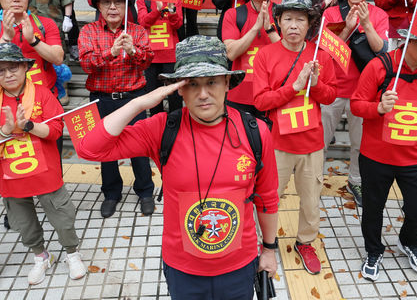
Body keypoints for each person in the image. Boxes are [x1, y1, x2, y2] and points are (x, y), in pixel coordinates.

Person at [76, 35, 279, 299]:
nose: (203, 93)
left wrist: (269, 249)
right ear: (178, 88)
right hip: (184, 269)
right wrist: (138, 103)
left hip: (239, 266)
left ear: (228, 82)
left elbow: (267, 199)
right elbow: (89, 148)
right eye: (192, 84)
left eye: (212, 82)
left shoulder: (255, 131)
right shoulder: (162, 129)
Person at [351, 28, 417, 281]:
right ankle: (374, 250)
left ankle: (408, 242)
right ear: (407, 41)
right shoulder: (380, 66)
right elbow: (356, 104)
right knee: (373, 209)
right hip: (377, 157)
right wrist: (377, 107)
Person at [0, 43, 86, 285]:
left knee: (62, 216)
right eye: (0, 70)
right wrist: (5, 130)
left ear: (25, 67)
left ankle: (72, 253)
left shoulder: (43, 94)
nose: (8, 74)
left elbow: (56, 131)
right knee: (24, 222)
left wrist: (28, 125)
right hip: (11, 174)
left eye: (13, 67)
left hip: (46, 171)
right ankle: (41, 256)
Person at [253, 0, 337, 275]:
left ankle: (306, 242)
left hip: (312, 143)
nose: (293, 25)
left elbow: (331, 96)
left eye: (300, 19)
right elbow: (261, 102)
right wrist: (294, 86)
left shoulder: (320, 55)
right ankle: (266, 242)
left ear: (309, 24)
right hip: (277, 143)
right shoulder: (266, 55)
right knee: (270, 196)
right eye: (287, 18)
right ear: (277, 22)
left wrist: (316, 83)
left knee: (311, 198)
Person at [77, 0, 156, 218]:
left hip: (133, 98)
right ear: (98, 6)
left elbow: (147, 61)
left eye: (118, 2)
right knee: (104, 148)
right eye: (107, 2)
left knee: (139, 148)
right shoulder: (88, 31)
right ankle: (111, 193)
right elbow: (86, 64)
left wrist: (133, 51)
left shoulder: (137, 31)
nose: (113, 7)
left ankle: (145, 191)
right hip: (102, 99)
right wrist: (110, 52)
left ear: (126, 6)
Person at [321, 0, 388, 206]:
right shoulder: (330, 14)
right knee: (321, 139)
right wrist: (347, 28)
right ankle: (315, 179)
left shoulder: (380, 15)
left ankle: (355, 180)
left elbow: (382, 51)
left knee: (360, 144)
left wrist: (366, 23)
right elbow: (326, 53)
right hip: (332, 89)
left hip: (364, 93)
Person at [222, 0, 281, 118]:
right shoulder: (233, 14)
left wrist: (269, 29)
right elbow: (231, 53)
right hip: (239, 94)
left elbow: (291, 53)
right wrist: (256, 27)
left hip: (274, 92)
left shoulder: (284, 14)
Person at [137, 0, 184, 115]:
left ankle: (176, 123)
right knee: (154, 95)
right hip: (151, 56)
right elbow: (143, 22)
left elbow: (178, 24)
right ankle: (157, 124)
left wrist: (171, 11)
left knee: (174, 95)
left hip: (170, 55)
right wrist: (157, 10)